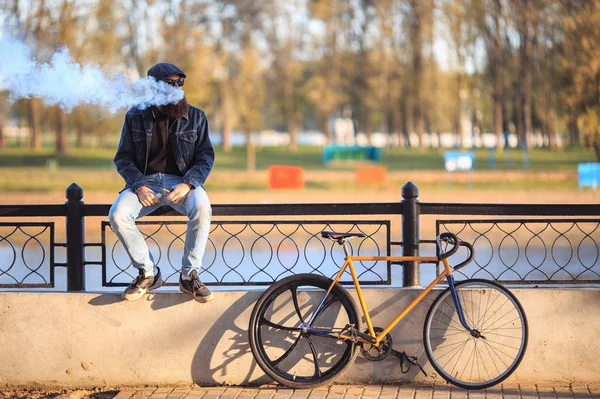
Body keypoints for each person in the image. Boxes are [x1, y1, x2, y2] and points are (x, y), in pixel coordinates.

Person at [109, 62, 214, 303]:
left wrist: (188, 184)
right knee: (117, 214)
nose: (176, 87)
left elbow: (205, 157)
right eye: (170, 83)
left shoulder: (196, 116)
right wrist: (139, 185)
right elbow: (123, 158)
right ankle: (148, 272)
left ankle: (189, 276)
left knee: (201, 208)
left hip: (182, 183)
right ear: (154, 86)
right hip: (144, 183)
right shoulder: (135, 115)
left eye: (180, 82)